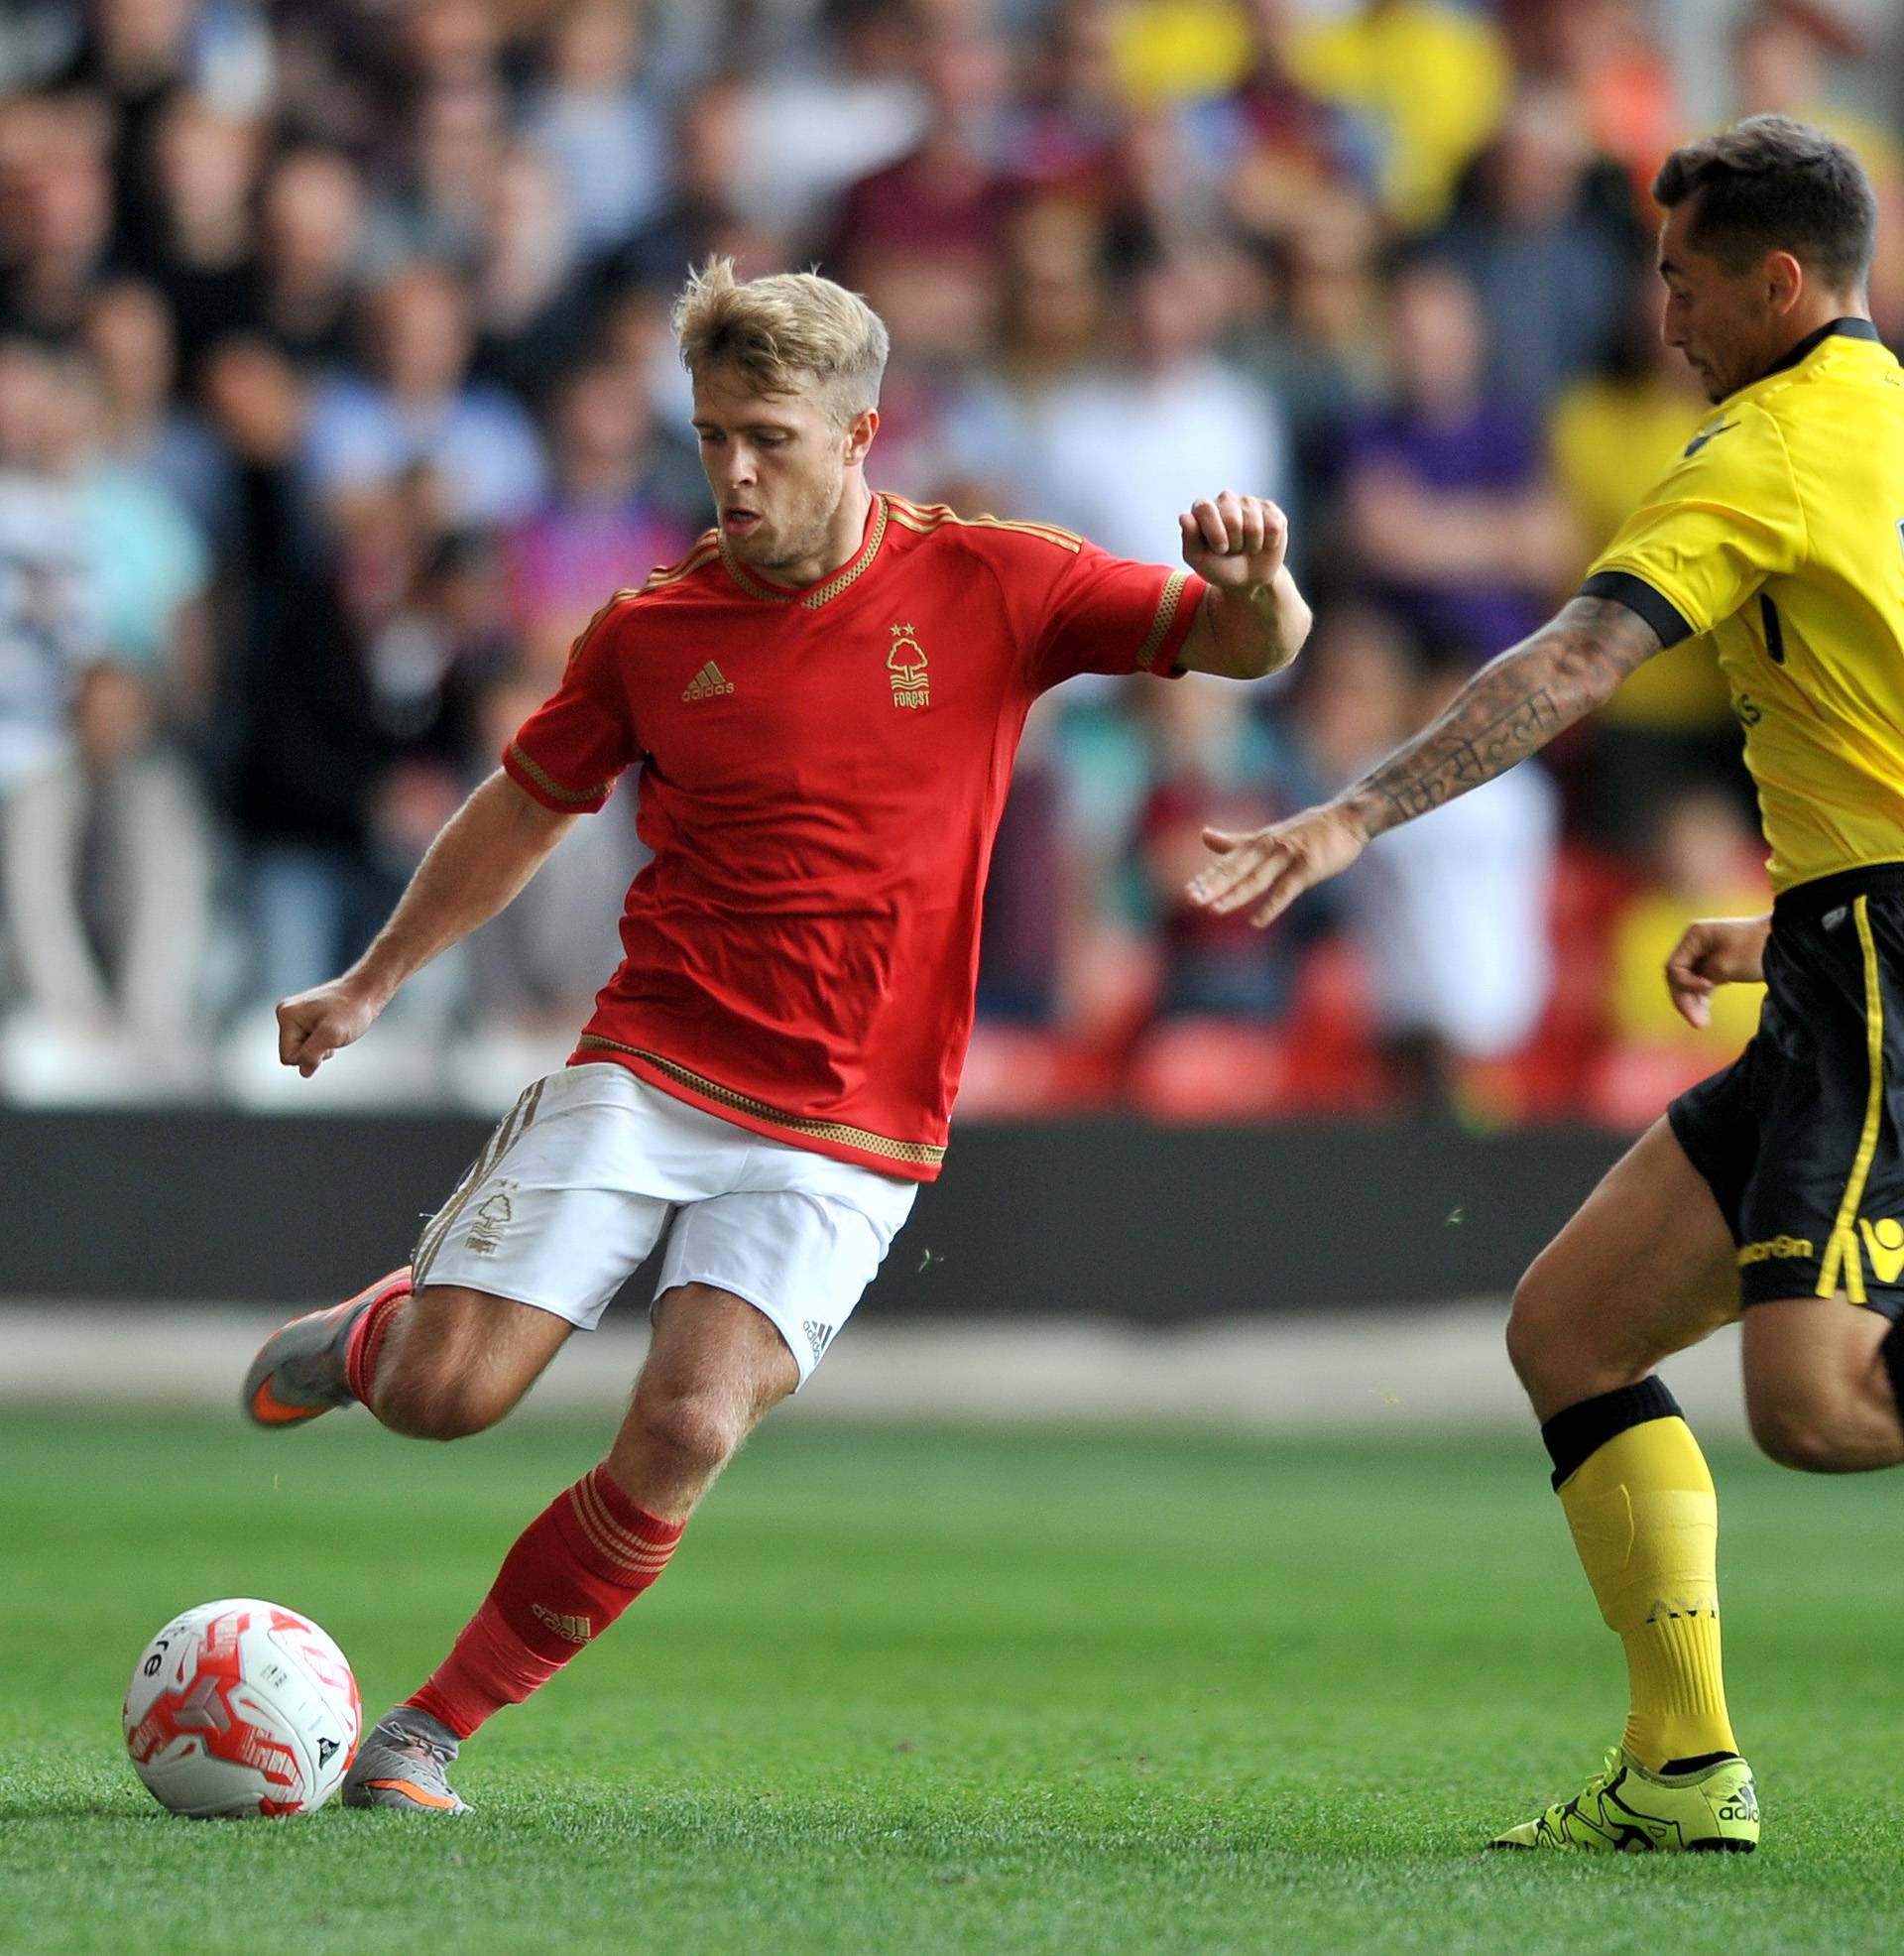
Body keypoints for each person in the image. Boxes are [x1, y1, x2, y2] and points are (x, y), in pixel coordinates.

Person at [240, 257, 1312, 1812]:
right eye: (711, 437)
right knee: (442, 1403)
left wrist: (1249, 582)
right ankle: (378, 1338)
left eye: (771, 438)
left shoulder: (996, 579)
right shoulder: (652, 630)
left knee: (683, 1426)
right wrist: (373, 979)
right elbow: (525, 808)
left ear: (862, 432)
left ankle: (427, 1732)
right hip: (656, 1060)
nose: (735, 474)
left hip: (857, 1119)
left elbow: (1248, 648)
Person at [1189, 114, 1904, 1853]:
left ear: (1779, 283)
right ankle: (1681, 1773)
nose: (1662, 319)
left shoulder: (1771, 445)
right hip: (1842, 939)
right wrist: (1795, 911)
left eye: (1684, 282)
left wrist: (1362, 808)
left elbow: (1582, 655)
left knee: (1816, 1405)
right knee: (1572, 1329)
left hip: (1877, 955)